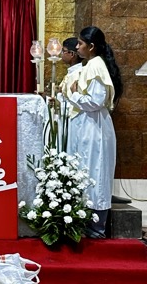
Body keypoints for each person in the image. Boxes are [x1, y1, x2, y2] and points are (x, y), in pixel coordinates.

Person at [66, 26, 123, 238]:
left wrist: (74, 95)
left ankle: (96, 226)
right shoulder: (90, 64)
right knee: (86, 171)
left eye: (80, 43)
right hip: (88, 126)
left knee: (95, 172)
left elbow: (95, 101)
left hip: (95, 128)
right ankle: (85, 223)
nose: (77, 47)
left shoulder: (96, 66)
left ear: (91, 47)